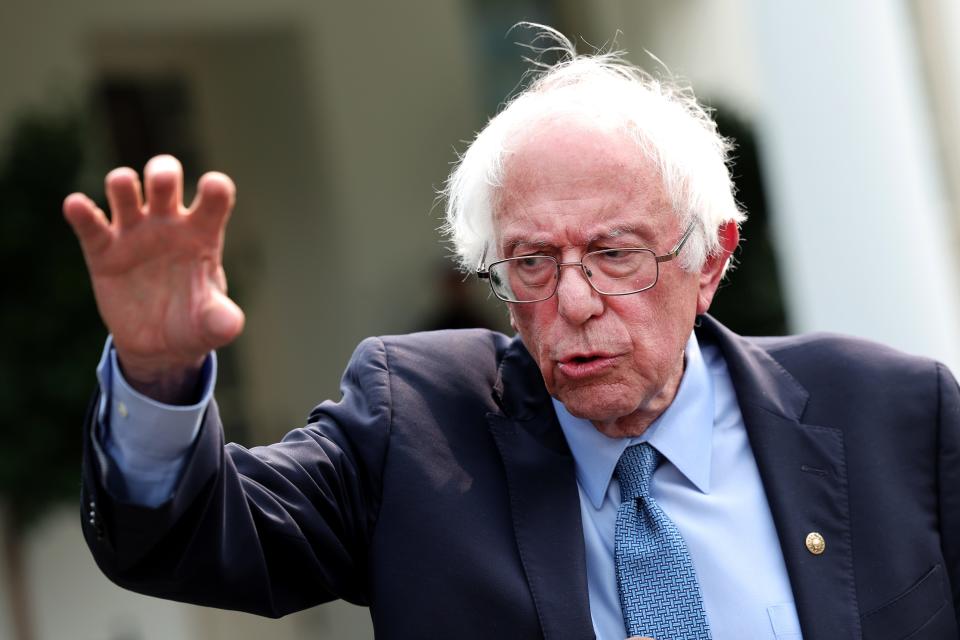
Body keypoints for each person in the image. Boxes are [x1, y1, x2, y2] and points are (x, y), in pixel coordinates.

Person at [65, 28, 960, 640]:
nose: (572, 301)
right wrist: (157, 372)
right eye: (531, 263)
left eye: (615, 254)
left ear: (711, 261)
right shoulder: (416, 429)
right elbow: (190, 538)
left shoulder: (890, 412)